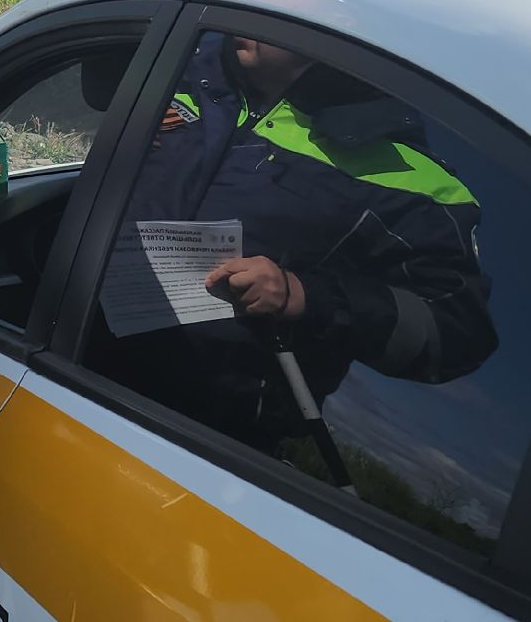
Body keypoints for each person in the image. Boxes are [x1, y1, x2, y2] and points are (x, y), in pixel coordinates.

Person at [90, 32, 497, 456]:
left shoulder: (408, 175)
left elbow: (458, 331)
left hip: (199, 437)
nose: (249, 2)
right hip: (75, 360)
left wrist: (302, 296)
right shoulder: (180, 69)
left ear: (338, 28)